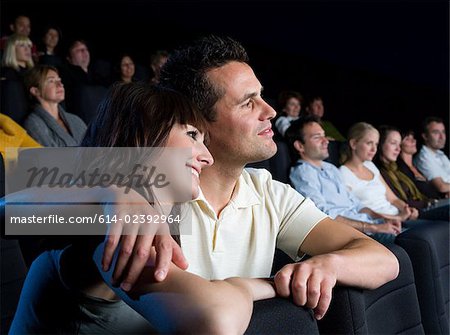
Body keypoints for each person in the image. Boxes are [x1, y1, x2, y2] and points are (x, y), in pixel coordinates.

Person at [99, 36, 399, 324]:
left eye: (262, 96)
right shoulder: (150, 196)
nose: (269, 111)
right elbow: (214, 317)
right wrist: (106, 188)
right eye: (248, 103)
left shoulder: (267, 191)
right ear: (201, 125)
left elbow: (385, 261)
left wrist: (330, 264)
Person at [10, 82, 276, 334]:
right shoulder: (108, 225)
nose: (207, 157)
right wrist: (252, 285)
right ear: (142, 134)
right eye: (192, 135)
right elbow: (216, 319)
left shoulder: (158, 226)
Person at [287, 116, 401, 244]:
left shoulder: (330, 168)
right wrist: (374, 227)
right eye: (317, 137)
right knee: (414, 242)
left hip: (369, 225)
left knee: (418, 236)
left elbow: (357, 204)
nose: (326, 141)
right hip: (352, 233)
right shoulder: (303, 172)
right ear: (300, 146)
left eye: (324, 135)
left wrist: (383, 219)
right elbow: (322, 214)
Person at [375, 125, 449, 221]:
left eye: (399, 144)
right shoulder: (382, 172)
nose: (398, 149)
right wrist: (429, 203)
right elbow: (398, 199)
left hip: (425, 205)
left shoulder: (396, 170)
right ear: (380, 145)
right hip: (416, 211)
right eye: (393, 143)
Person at [23, 65, 87, 147]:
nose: (60, 84)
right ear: (35, 91)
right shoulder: (33, 124)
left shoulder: (75, 119)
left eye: (59, 80)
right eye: (51, 81)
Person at [398, 130, 443, 199]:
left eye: (413, 138)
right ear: (399, 145)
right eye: (407, 139)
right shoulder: (401, 170)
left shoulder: (416, 166)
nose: (413, 141)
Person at [414, 116, 450, 197]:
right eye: (436, 133)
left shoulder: (441, 154)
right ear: (425, 136)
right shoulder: (423, 157)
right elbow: (442, 187)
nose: (442, 137)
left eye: (443, 132)